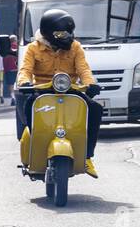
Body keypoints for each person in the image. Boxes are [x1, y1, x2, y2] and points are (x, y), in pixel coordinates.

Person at [15, 9, 103, 177]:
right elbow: (25, 69)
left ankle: (87, 156)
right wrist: (24, 83)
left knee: (95, 109)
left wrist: (90, 84)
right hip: (43, 91)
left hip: (71, 90)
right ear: (49, 33)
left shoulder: (75, 47)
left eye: (69, 32)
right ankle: (37, 147)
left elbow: (84, 69)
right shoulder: (33, 48)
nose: (68, 36)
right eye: (62, 33)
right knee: (28, 106)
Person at [2, 37, 18, 103]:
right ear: (15, 40)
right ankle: (17, 97)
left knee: (11, 84)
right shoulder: (18, 47)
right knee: (18, 83)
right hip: (17, 68)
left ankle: (13, 97)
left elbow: (4, 60)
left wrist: (5, 70)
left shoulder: (6, 48)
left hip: (9, 69)